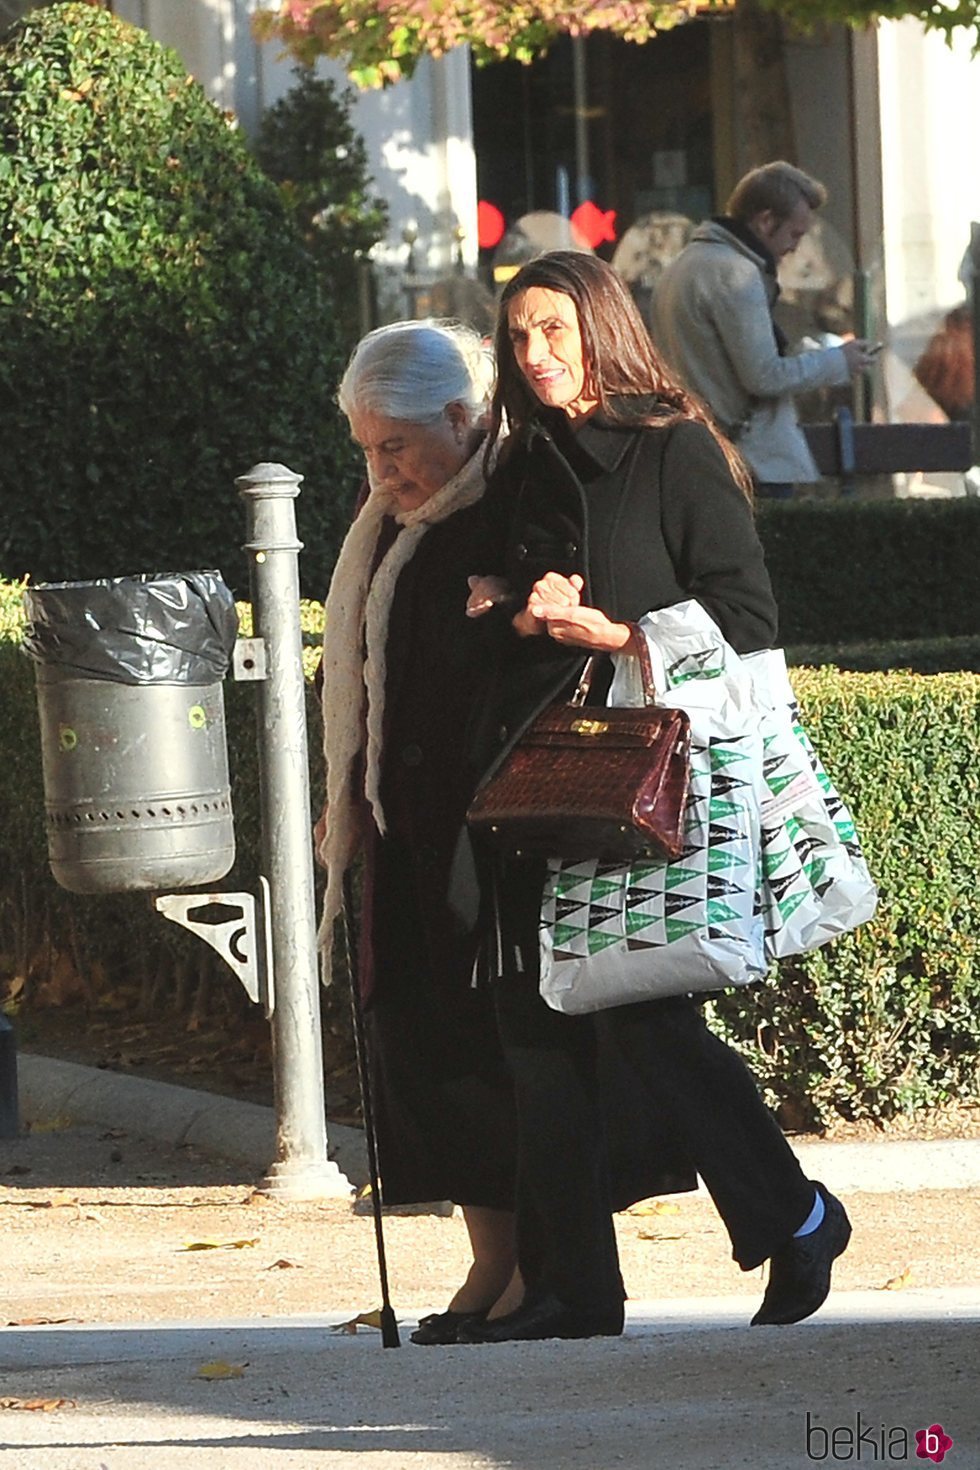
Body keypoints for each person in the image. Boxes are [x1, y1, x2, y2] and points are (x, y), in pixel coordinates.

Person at [460, 250, 851, 1343]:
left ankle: (789, 1215)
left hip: (648, 777)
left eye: (553, 330)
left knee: (637, 1010)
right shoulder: (527, 461)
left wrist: (617, 633)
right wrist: (510, 603)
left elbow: (747, 617)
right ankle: (577, 1290)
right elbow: (525, 593)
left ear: (598, 327)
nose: (534, 354)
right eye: (518, 335)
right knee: (541, 1020)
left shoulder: (670, 447)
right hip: (541, 773)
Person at [316, 320, 522, 1346]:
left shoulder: (503, 515)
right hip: (398, 825)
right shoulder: (385, 530)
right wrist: (345, 790)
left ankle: (532, 1264)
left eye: (393, 444)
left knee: (483, 1042)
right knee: (417, 1038)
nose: (379, 468)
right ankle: (489, 1258)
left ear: (461, 416)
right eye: (364, 448)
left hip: (479, 831)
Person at [651, 160, 876, 497]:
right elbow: (764, 376)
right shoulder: (737, 274)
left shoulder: (683, 267)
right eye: (794, 234)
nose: (796, 247)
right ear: (766, 220)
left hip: (696, 454)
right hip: (751, 461)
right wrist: (839, 362)